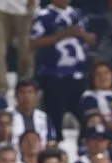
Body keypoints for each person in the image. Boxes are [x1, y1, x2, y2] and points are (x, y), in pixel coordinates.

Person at [29, 0, 95, 135]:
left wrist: (83, 35)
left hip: (79, 75)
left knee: (83, 117)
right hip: (54, 75)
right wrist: (64, 34)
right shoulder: (43, 15)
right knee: (55, 118)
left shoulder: (79, 14)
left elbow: (92, 40)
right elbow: (33, 42)